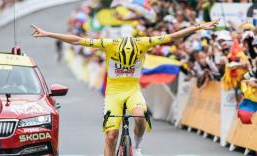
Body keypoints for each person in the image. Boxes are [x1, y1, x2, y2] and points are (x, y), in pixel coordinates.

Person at [30, 18, 219, 156]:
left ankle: (136, 146)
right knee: (111, 136)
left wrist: (199, 27)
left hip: (132, 91)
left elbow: (171, 37)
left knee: (139, 115)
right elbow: (78, 40)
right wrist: (49, 33)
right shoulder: (109, 44)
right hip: (113, 93)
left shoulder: (143, 43)